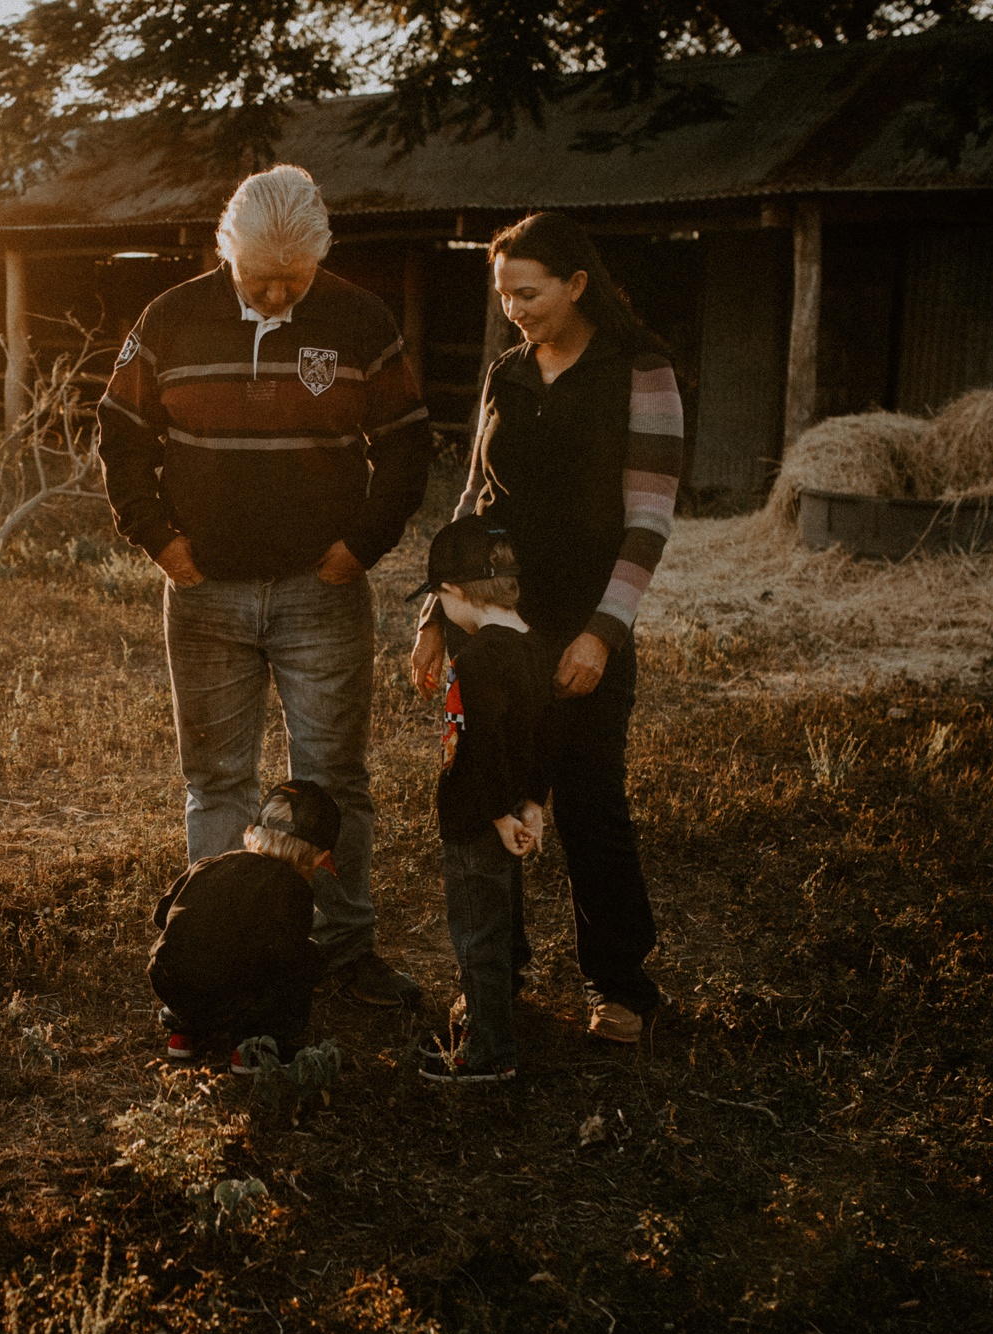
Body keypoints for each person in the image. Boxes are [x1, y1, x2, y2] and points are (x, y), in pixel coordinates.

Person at [101, 164, 431, 1008]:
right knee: (218, 780)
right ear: (227, 253)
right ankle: (224, 949)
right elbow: (122, 431)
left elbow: (404, 441)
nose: (279, 296)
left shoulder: (361, 320)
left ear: (321, 258)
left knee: (335, 778)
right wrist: (161, 541)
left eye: (295, 280)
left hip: (320, 592)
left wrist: (361, 545)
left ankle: (342, 948)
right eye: (261, 280)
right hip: (204, 592)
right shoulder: (170, 317)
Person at [409, 211, 682, 1045]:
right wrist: (433, 614)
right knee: (493, 800)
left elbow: (650, 519)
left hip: (585, 621)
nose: (514, 308)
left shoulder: (642, 370)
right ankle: (498, 978)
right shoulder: (505, 373)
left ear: (577, 284)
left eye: (528, 293)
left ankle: (620, 986)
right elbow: (469, 503)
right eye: (504, 295)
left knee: (591, 802)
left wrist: (604, 631)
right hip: (492, 628)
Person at [402, 517, 554, 1083]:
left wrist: (492, 817)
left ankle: (488, 1051)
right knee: (501, 919)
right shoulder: (533, 644)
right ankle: (501, 1013)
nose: (445, 611)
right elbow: (543, 735)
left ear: (459, 593)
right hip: (511, 809)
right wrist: (531, 805)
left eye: (442, 599)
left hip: (475, 822)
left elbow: (479, 749)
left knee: (476, 933)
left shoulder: (479, 660)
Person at [149, 780, 337, 1075]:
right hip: (230, 995)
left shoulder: (211, 863)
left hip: (171, 982)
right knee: (306, 962)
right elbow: (286, 955)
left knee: (205, 959)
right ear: (318, 858)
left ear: (253, 832)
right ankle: (254, 1047)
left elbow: (162, 915)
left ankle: (183, 1031)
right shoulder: (293, 889)